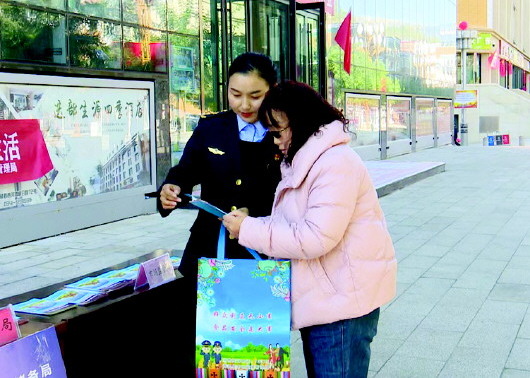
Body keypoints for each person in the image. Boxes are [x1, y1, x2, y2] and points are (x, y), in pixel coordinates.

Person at [222, 81, 397, 377]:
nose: (275, 141)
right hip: (325, 300)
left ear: (301, 121)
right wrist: (249, 223)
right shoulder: (307, 158)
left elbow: (316, 237)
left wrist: (250, 229)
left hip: (341, 309)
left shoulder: (334, 162)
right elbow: (294, 224)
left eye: (278, 132)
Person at [156, 52, 281, 374]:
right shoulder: (212, 128)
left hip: (258, 249)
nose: (245, 105)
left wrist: (255, 211)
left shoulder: (282, 133)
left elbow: (289, 191)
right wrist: (171, 187)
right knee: (196, 333)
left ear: (272, 90)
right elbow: (186, 170)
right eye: (236, 95)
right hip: (207, 246)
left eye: (255, 96)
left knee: (250, 339)